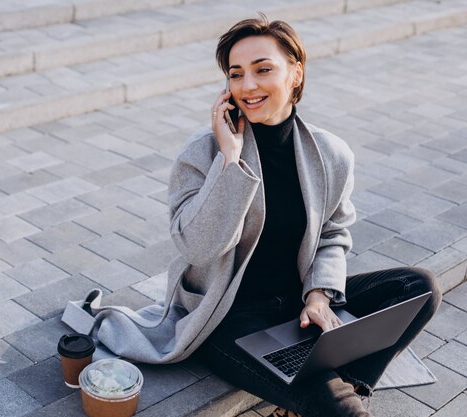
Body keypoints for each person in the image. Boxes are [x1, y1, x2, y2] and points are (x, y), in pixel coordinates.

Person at [61, 14, 441, 417]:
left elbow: (332, 232)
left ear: (296, 73)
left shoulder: (331, 154)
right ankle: (330, 393)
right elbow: (197, 246)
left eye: (263, 70)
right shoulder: (204, 153)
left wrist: (317, 294)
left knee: (418, 287)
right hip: (229, 320)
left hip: (297, 307)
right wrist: (231, 162)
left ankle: (340, 383)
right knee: (340, 409)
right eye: (236, 74)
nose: (248, 86)